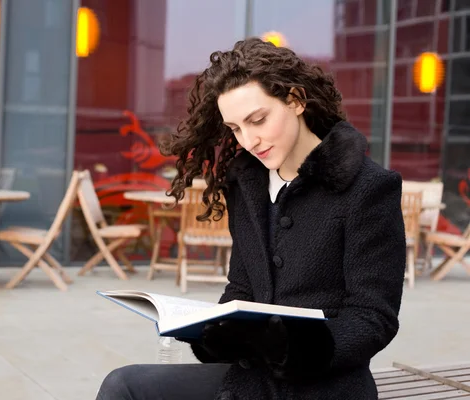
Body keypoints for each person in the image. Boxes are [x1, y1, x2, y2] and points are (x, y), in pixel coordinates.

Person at [96, 37, 406, 400]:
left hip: (324, 385)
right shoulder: (246, 187)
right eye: (235, 128)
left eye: (258, 120)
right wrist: (210, 330)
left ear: (295, 100)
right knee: (124, 385)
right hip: (250, 379)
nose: (249, 140)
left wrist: (293, 348)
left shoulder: (368, 189)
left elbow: (373, 317)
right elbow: (242, 288)